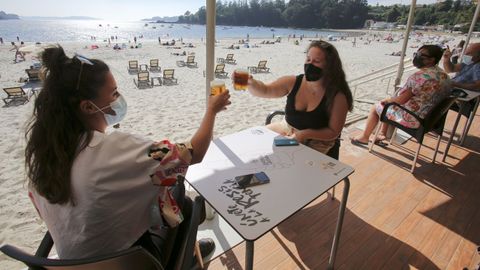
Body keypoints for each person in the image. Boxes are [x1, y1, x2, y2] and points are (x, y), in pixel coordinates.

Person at [25, 46, 231, 265]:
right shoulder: (116, 149)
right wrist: (211, 110)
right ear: (87, 106)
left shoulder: (43, 156)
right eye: (114, 94)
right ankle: (188, 257)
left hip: (71, 264)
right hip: (126, 261)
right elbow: (191, 153)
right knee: (178, 190)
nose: (119, 98)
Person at [246, 40, 353, 154]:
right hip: (287, 128)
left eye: (316, 61)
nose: (310, 64)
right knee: (253, 142)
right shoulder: (292, 82)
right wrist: (251, 83)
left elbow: (333, 131)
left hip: (317, 141)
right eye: (308, 59)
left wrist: (303, 134)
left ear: (329, 67)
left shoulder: (338, 96)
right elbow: (265, 90)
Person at [351, 45, 450, 146]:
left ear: (432, 59)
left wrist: (388, 100)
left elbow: (400, 101)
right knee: (389, 103)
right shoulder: (444, 76)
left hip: (413, 118)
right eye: (417, 53)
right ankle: (381, 134)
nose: (417, 56)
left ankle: (364, 137)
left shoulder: (419, 77)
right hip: (429, 117)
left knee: (377, 107)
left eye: (421, 55)